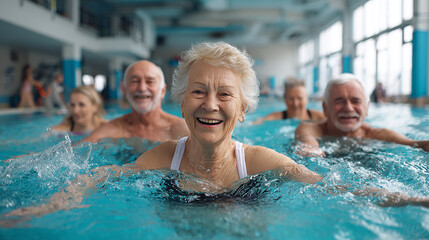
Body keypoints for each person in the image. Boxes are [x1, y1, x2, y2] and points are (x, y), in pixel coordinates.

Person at [4, 43, 428, 221]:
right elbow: (97, 177)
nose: (210, 104)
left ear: (242, 110)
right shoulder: (161, 156)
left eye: (224, 95)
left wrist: (413, 199)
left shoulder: (260, 161)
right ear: (181, 103)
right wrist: (43, 207)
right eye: (198, 92)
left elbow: (339, 191)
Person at [295, 73, 429, 157]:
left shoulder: (375, 134)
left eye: (355, 101)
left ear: (367, 108)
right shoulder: (311, 129)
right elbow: (308, 142)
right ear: (325, 108)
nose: (348, 107)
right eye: (339, 101)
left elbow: (414, 144)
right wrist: (312, 150)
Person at [81, 60, 189, 143]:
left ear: (162, 91)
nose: (142, 88)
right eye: (134, 81)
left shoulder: (181, 130)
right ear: (124, 89)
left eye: (150, 82)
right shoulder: (112, 129)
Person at [254, 78, 325, 124]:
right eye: (291, 98)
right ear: (285, 99)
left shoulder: (319, 116)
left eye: (299, 98)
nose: (295, 103)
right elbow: (257, 122)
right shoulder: (275, 117)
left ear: (306, 99)